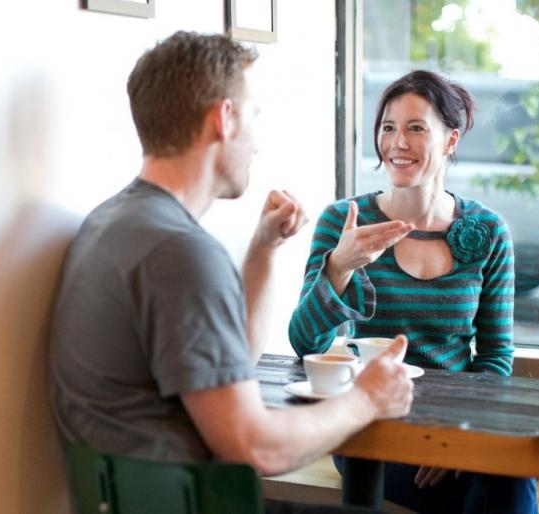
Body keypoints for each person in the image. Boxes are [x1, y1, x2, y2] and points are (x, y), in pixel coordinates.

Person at [48, 31, 414, 514]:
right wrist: (366, 400)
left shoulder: (114, 222)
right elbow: (256, 448)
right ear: (223, 118)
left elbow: (231, 360)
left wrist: (263, 249)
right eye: (253, 116)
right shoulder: (178, 252)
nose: (256, 143)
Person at [288, 70, 538, 514]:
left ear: (450, 140)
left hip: (456, 426)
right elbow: (307, 344)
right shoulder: (343, 222)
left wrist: (457, 432)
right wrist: (340, 266)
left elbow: (496, 356)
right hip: (369, 427)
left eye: (416, 128)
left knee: (507, 471)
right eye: (388, 127)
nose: (397, 143)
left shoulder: (489, 231)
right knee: (492, 486)